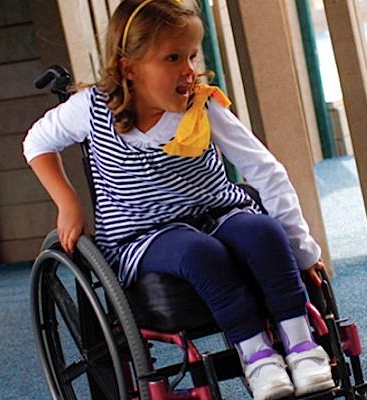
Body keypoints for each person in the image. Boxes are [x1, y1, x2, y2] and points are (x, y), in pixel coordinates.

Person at [22, 0, 336, 399]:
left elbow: (266, 171)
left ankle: (302, 346)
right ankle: (257, 357)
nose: (188, 70)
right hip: (143, 234)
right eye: (173, 58)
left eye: (191, 55)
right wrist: (68, 202)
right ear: (128, 68)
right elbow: (37, 142)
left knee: (263, 232)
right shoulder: (91, 108)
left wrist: (304, 252)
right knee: (199, 253)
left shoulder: (201, 104)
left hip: (218, 212)